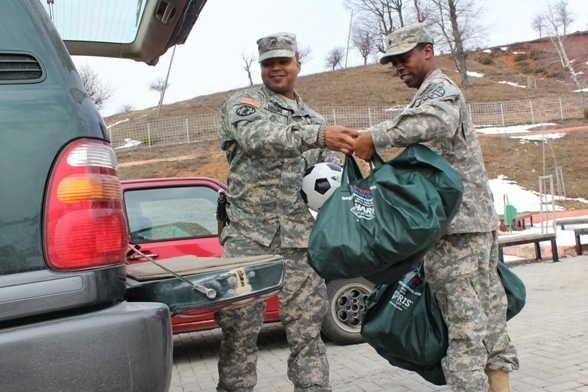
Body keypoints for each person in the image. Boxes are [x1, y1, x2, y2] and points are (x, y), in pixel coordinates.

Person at [353, 23, 519, 392]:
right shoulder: (432, 94)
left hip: (456, 235)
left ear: (427, 51)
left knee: (464, 333)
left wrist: (374, 136)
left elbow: (437, 121)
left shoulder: (439, 92)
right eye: (393, 61)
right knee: (490, 322)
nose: (399, 66)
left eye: (405, 57)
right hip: (474, 227)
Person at [215, 32, 357, 392]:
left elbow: (330, 178)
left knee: (308, 333)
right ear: (260, 67)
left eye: (283, 61)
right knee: (238, 334)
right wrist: (320, 136)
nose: (276, 68)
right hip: (248, 241)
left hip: (299, 244)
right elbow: (259, 138)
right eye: (268, 63)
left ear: (298, 64)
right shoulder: (244, 105)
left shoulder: (315, 118)